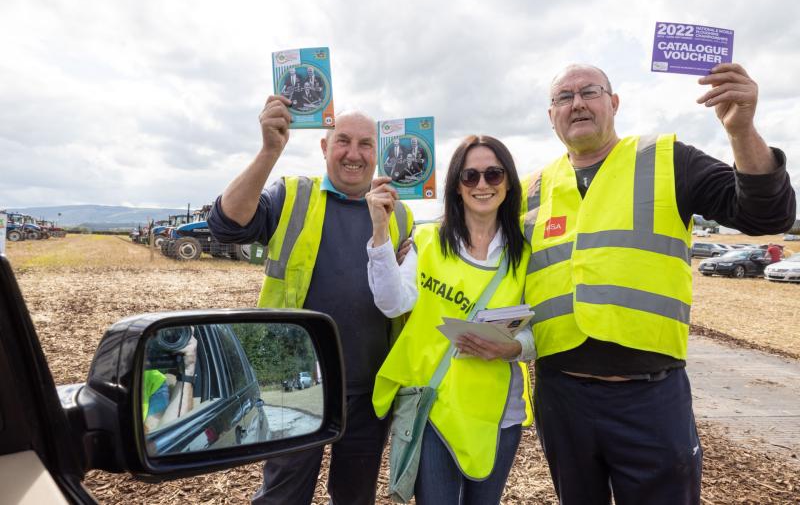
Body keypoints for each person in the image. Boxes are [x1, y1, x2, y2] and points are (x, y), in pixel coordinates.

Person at [521, 63, 796, 505]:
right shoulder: (530, 189)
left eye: (589, 92)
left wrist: (742, 132)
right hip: (561, 395)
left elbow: (766, 216)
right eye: (563, 97)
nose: (576, 104)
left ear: (613, 103)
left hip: (648, 396)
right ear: (550, 115)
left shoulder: (668, 159)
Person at [207, 95, 413, 505]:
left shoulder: (401, 215)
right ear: (324, 147)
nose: (353, 154)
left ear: (379, 153)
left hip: (369, 389)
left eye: (366, 144)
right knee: (284, 494)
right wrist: (270, 150)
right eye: (343, 141)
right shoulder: (293, 195)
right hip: (295, 385)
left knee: (355, 497)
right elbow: (226, 225)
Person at [368, 135, 535, 505]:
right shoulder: (426, 241)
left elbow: (540, 332)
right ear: (455, 186)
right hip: (433, 409)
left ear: (508, 183)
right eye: (469, 176)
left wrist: (511, 348)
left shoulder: (526, 254)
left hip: (497, 415)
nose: (481, 185)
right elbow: (392, 304)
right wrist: (380, 233)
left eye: (493, 175)